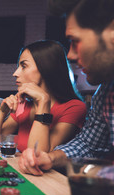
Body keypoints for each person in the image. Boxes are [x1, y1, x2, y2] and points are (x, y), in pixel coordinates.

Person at [19, 0, 114, 175]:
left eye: (75, 41)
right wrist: (50, 158)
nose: (69, 54)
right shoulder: (105, 91)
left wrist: (96, 173)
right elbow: (89, 145)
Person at [0, 40, 86, 153]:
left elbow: (38, 154)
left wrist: (43, 101)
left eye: (23, 66)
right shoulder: (24, 106)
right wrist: (1, 112)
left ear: (46, 67)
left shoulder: (74, 107)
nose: (15, 73)